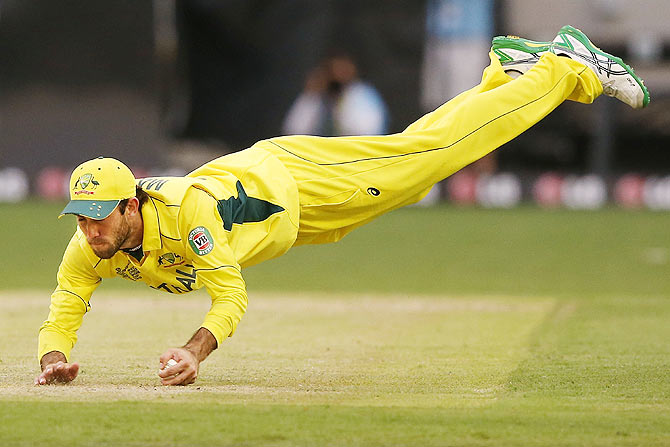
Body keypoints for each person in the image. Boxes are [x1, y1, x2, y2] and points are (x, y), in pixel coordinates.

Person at [36, 26, 649, 386]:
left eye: (99, 215)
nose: (90, 230)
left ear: (131, 204)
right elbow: (67, 302)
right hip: (294, 217)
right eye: (82, 218)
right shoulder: (93, 243)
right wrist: (55, 358)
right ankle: (505, 76)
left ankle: (568, 67)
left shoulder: (188, 214)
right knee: (418, 157)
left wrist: (194, 354)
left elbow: (230, 297)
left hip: (297, 179)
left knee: (427, 160)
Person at [282, 52, 389, 136]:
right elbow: (293, 129)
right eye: (332, 70)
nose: (337, 75)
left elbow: (368, 131)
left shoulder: (362, 94)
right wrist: (310, 95)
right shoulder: (316, 96)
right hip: (317, 157)